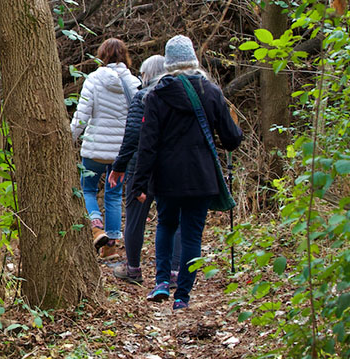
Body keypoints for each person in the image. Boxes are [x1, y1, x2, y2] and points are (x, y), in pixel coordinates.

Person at [130, 35, 242, 310]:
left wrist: (139, 183)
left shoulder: (156, 95)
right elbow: (231, 139)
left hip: (166, 177)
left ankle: (160, 283)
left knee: (166, 225)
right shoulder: (212, 92)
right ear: (193, 60)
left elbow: (148, 144)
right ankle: (182, 296)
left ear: (168, 64)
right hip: (201, 178)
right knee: (192, 234)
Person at [107, 55, 182, 284]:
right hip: (172, 165)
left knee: (135, 218)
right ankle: (175, 271)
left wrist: (119, 166)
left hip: (141, 167)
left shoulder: (142, 97)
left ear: (146, 75)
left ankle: (133, 268)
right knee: (173, 218)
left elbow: (132, 136)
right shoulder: (179, 97)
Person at [70, 38, 141, 258]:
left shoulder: (93, 79)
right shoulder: (133, 82)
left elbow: (82, 116)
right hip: (122, 151)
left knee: (88, 189)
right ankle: (110, 247)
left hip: (95, 149)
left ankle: (95, 225)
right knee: (113, 194)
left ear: (102, 55)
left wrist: (70, 137)